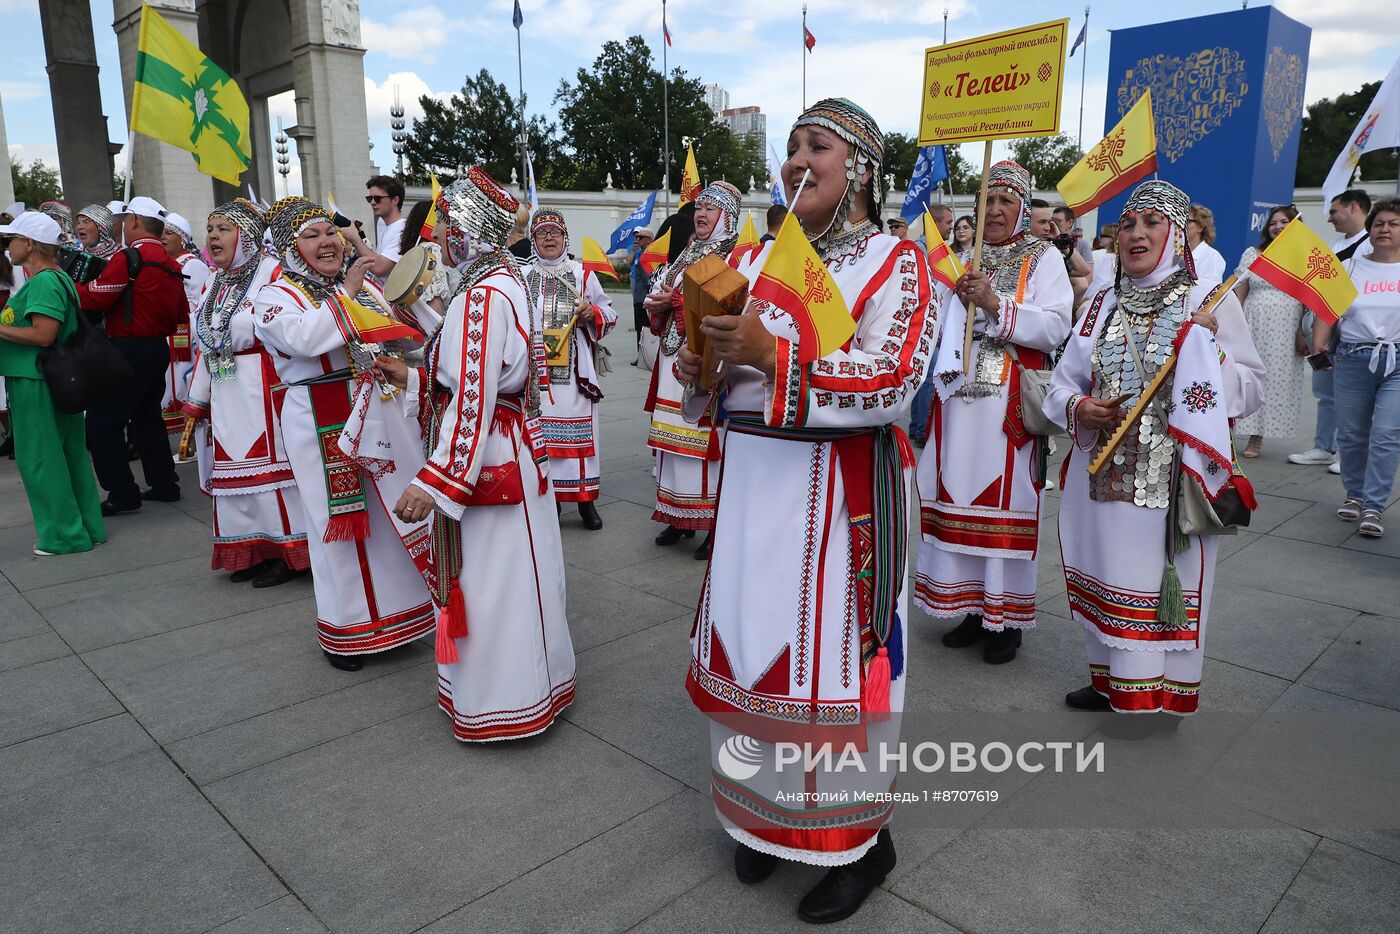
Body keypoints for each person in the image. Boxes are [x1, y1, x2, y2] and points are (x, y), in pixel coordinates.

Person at [678, 98, 934, 925]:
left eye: (816, 146)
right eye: (790, 147)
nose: (796, 159)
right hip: (754, 490)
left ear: (858, 168)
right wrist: (697, 362)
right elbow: (713, 387)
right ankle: (763, 820)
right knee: (754, 653)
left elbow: (894, 380)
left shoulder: (898, 262)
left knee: (832, 672)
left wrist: (770, 355)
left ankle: (860, 844)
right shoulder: (757, 257)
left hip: (839, 501)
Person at [1046, 179, 1263, 717]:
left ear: (1177, 235)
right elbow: (1060, 383)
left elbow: (1253, 387)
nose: (1136, 234)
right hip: (1102, 472)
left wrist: (1208, 352)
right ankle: (1108, 683)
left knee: (1157, 583)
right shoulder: (1099, 304)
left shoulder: (1205, 299)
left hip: (1173, 483)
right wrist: (1079, 408)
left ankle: (1158, 694)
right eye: (1128, 223)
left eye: (1152, 223)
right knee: (1106, 574)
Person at [376, 168, 576, 741]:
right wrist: (414, 378)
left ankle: (504, 702)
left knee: (493, 581)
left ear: (471, 231)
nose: (437, 237)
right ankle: (541, 685)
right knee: (521, 575)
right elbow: (475, 380)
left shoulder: (482, 298)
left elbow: (471, 400)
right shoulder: (502, 283)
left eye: (445, 224)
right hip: (513, 448)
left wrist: (433, 481)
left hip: (489, 456)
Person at [252, 196, 437, 670]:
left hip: (375, 408)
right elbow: (302, 340)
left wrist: (405, 298)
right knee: (336, 521)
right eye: (311, 236)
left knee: (386, 514)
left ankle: (403, 616)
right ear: (292, 249)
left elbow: (401, 330)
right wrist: (351, 292)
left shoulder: (359, 285)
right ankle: (349, 631)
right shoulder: (276, 295)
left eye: (329, 233)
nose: (327, 243)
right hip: (317, 411)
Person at [915, 162, 1073, 664]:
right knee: (955, 492)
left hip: (1005, 403)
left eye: (1006, 200)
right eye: (988, 200)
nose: (996, 209)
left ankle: (1003, 618)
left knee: (1005, 501)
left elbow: (1054, 326)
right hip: (958, 398)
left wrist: (993, 303)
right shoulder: (963, 256)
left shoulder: (1043, 257)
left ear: (1023, 208)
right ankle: (966, 603)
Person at [180, 199, 309, 587]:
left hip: (262, 383)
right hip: (225, 384)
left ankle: (285, 553)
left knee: (269, 466)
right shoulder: (213, 280)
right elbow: (206, 340)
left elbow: (272, 326)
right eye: (211, 229)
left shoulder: (273, 273)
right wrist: (197, 400)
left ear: (248, 236)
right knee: (233, 464)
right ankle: (250, 549)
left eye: (223, 229)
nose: (214, 237)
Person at [0, 212, 106, 555]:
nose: (7, 248)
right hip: (53, 379)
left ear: (29, 244)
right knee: (68, 455)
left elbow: (43, 336)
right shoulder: (58, 277)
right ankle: (86, 528)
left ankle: (63, 536)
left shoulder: (44, 280)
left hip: (36, 380)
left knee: (41, 460)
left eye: (10, 241)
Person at [76, 196, 187, 515]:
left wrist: (72, 287)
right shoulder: (171, 262)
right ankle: (165, 484)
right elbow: (181, 312)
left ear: (136, 222)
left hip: (127, 348)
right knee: (147, 417)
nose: (121, 225)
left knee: (102, 422)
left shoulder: (130, 256)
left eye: (125, 219)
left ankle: (123, 492)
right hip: (157, 348)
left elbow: (97, 298)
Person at [642, 185, 737, 559]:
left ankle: (712, 525)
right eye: (699, 207)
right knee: (671, 442)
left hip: (702, 362)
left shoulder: (732, 254)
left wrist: (676, 299)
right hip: (672, 358)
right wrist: (662, 302)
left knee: (702, 445)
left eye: (711, 209)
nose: (701, 214)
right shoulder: (689, 251)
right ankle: (677, 516)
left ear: (726, 216)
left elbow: (724, 302)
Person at [524, 208, 618, 527]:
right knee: (542, 440)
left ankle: (585, 502)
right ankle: (550, 501)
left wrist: (591, 312)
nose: (549, 238)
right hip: (537, 375)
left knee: (580, 440)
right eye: (541, 233)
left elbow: (609, 312)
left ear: (565, 238)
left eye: (555, 232)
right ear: (532, 240)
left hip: (574, 374)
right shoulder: (522, 277)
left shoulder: (582, 274)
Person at [1314, 197, 1400, 539]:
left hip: (1396, 359)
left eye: (1394, 223)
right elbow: (1328, 308)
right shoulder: (1350, 267)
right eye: (1379, 223)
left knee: (1387, 435)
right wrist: (1319, 345)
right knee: (1351, 434)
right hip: (1352, 356)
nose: (1385, 229)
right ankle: (1355, 493)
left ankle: (1374, 505)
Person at [1290, 189, 1372, 469]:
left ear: (1352, 207)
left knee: (1352, 396)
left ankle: (1348, 453)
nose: (1330, 218)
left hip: (1353, 333)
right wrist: (1306, 329)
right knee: (1325, 393)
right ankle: (1323, 447)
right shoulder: (1335, 246)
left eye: (1334, 211)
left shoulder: (1372, 246)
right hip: (1323, 329)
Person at [1233, 205, 1307, 458]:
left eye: (1284, 222)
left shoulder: (1304, 257)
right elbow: (1240, 290)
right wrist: (1233, 323)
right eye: (1273, 222)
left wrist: (1302, 333)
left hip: (1285, 326)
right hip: (1254, 320)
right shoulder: (1254, 254)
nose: (1277, 227)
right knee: (1244, 374)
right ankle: (1227, 431)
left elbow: (1309, 300)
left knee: (1273, 379)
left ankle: (1257, 437)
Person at [161, 211, 211, 437]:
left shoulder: (193, 265)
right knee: (170, 382)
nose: (163, 237)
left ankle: (190, 435)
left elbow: (201, 303)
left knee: (184, 381)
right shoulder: (169, 263)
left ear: (182, 238)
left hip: (185, 335)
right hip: (171, 331)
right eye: (162, 232)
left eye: (169, 233)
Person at [340, 174, 405, 281]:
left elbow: (380, 268)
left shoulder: (403, 228)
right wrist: (360, 235)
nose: (372, 202)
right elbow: (378, 256)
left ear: (395, 200)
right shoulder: (381, 223)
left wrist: (355, 240)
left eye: (377, 198)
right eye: (369, 198)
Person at [627, 226, 655, 347]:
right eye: (636, 236)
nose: (637, 239)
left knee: (645, 328)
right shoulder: (640, 253)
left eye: (641, 237)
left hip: (645, 297)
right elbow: (628, 261)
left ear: (649, 240)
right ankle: (641, 355)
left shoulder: (648, 255)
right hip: (639, 296)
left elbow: (647, 279)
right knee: (640, 327)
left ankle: (644, 356)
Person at [1187, 203, 1227, 283]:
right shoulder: (1174, 253)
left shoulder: (1213, 257)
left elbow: (1208, 292)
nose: (1182, 224)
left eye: (1188, 221)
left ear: (1200, 227)